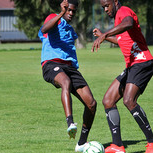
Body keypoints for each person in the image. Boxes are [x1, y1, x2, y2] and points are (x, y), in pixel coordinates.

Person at [92, 0, 153, 152]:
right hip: (132, 66)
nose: (105, 9)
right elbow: (122, 41)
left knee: (129, 100)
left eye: (107, 5)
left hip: (143, 62)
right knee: (108, 100)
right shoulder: (118, 21)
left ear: (115, 2)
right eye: (103, 7)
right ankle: (117, 146)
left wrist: (105, 34)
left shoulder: (123, 12)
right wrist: (104, 36)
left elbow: (129, 23)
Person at [38, 0, 97, 152]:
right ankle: (70, 122)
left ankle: (81, 143)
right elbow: (45, 28)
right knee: (65, 82)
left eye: (73, 11)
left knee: (91, 103)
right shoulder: (53, 18)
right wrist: (60, 14)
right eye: (68, 10)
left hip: (70, 68)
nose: (71, 13)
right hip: (51, 64)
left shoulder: (70, 30)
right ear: (63, 8)